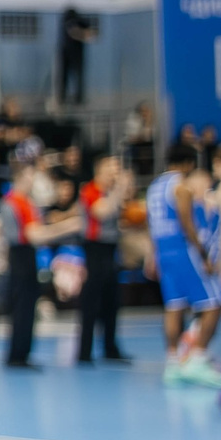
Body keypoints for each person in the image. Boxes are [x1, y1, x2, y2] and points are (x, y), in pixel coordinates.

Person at [150, 142, 221, 385]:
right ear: (189, 164)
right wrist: (203, 253)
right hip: (184, 251)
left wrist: (153, 256)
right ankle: (197, 358)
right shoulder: (180, 186)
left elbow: (151, 226)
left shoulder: (153, 188)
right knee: (214, 302)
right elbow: (187, 223)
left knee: (174, 306)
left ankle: (173, 362)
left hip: (164, 252)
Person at [3, 162, 82, 370]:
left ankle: (21, 352)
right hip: (21, 255)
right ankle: (18, 355)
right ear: (22, 177)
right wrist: (69, 225)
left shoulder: (23, 202)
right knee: (23, 306)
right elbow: (33, 234)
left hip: (25, 256)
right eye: (31, 176)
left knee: (28, 306)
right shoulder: (17, 202)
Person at [77, 154, 129, 364]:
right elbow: (101, 213)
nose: (115, 173)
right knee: (91, 301)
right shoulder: (90, 190)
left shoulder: (109, 193)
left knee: (112, 301)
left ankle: (110, 348)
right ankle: (84, 351)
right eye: (112, 169)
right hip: (95, 249)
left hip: (110, 248)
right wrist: (119, 190)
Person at [59, 6, 93, 104]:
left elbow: (89, 34)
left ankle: (78, 99)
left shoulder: (80, 22)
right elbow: (74, 33)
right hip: (67, 53)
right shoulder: (67, 22)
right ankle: (63, 98)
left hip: (76, 53)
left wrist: (81, 34)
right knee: (64, 77)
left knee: (77, 77)